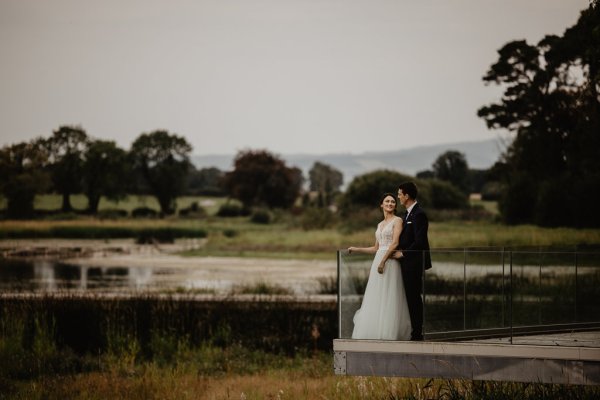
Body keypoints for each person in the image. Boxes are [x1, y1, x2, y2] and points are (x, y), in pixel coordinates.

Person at [348, 193, 411, 340]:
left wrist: (383, 261)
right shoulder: (379, 224)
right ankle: (375, 331)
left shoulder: (398, 221)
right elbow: (376, 248)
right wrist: (356, 249)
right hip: (378, 260)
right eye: (387, 201)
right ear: (381, 205)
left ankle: (389, 333)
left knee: (390, 295)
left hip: (389, 262)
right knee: (376, 295)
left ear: (395, 205)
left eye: (393, 201)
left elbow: (395, 243)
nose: (390, 203)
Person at [393, 181, 432, 341]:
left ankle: (417, 333)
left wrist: (403, 254)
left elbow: (420, 241)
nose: (398, 197)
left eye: (400, 194)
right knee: (408, 296)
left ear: (407, 196)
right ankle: (412, 330)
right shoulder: (406, 215)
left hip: (414, 264)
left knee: (414, 297)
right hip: (406, 264)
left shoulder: (419, 214)